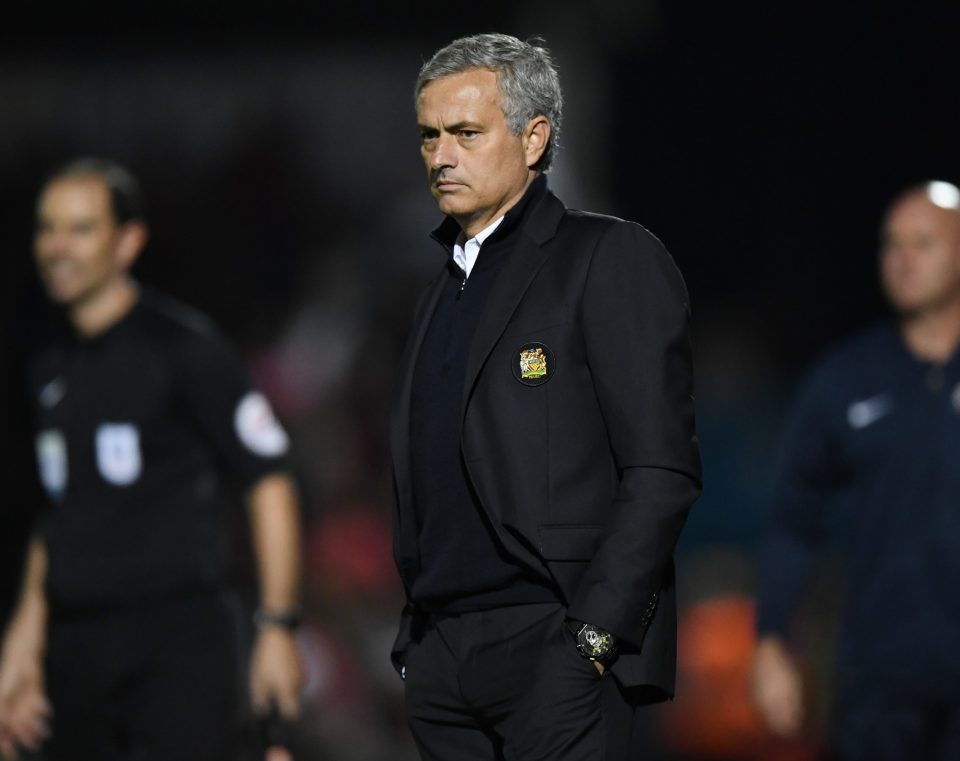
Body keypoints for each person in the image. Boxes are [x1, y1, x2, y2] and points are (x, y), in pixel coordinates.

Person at [389, 33, 702, 760]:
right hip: (445, 661)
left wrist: (591, 639)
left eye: (466, 133)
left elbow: (662, 471)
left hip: (557, 645)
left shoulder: (607, 257)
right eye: (429, 135)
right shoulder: (436, 293)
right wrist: (419, 649)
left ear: (535, 138)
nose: (441, 155)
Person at [0, 158, 304, 761]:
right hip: (76, 647)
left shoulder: (184, 350)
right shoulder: (43, 361)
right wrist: (22, 645)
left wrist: (277, 626)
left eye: (80, 228)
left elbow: (267, 479)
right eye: (46, 227)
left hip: (175, 645)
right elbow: (54, 515)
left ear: (128, 241)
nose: (57, 246)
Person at [751, 180, 960, 760]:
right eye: (892, 244)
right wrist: (770, 641)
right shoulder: (845, 379)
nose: (904, 259)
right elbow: (793, 520)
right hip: (879, 680)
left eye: (925, 243)